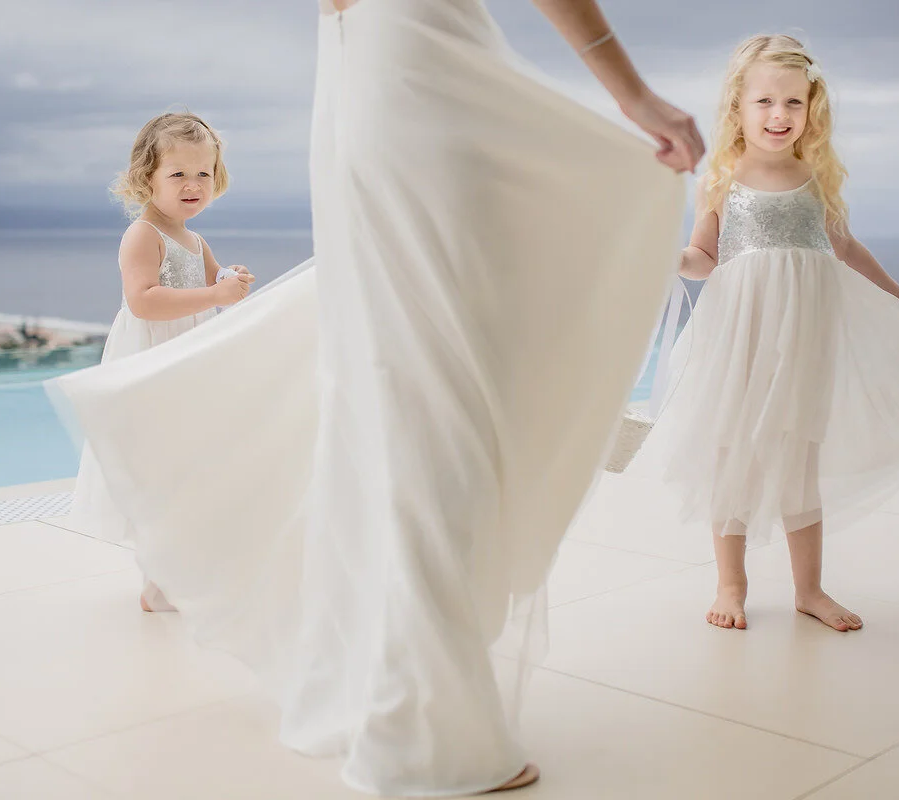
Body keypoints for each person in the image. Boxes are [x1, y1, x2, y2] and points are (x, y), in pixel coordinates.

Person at [49, 0, 703, 794]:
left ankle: (383, 684)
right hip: (415, 70)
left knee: (393, 380)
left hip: (361, 77)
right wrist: (633, 95)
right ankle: (423, 723)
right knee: (435, 384)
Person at [631, 34, 899, 633]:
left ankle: (810, 590)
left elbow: (845, 246)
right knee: (732, 451)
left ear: (811, 107)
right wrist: (668, 258)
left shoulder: (814, 176)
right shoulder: (721, 180)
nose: (780, 116)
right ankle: (731, 583)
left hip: (804, 332)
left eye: (794, 103)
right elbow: (705, 256)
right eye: (766, 102)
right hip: (739, 333)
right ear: (738, 108)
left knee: (800, 454)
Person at [66, 111, 254, 612]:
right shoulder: (142, 235)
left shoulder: (195, 239)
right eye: (178, 174)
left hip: (188, 357)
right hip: (154, 357)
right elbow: (144, 300)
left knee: (190, 463)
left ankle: (177, 569)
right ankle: (157, 580)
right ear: (145, 177)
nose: (194, 184)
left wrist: (230, 280)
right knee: (161, 465)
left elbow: (212, 287)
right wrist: (216, 292)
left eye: (203, 173)